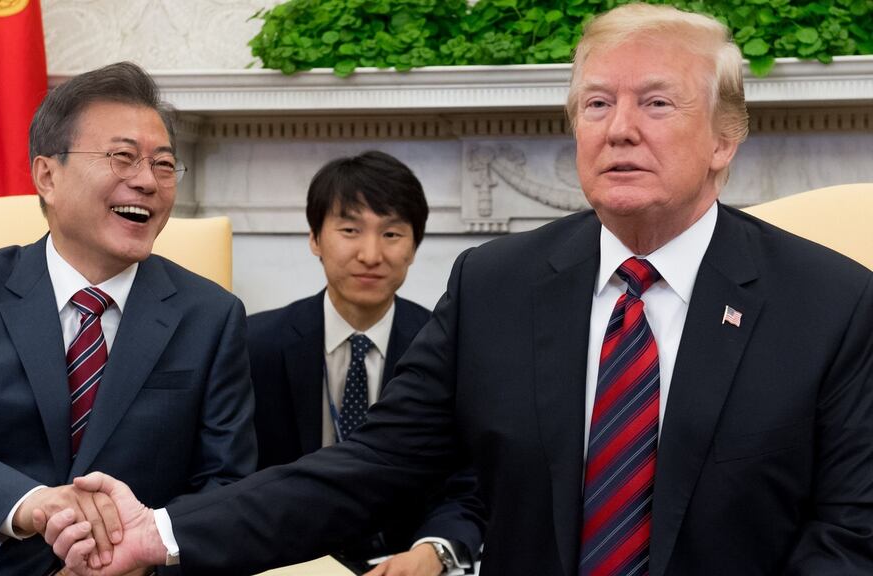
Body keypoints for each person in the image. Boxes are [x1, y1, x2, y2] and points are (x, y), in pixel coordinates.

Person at [43, 4, 873, 575]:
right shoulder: (497, 286)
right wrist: (160, 532)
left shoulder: (831, 305)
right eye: (595, 103)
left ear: (726, 138)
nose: (619, 128)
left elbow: (849, 534)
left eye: (656, 103)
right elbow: (367, 468)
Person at [0, 61, 256, 575]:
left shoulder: (212, 316)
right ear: (47, 175)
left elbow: (227, 489)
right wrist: (31, 505)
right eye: (122, 158)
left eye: (162, 164)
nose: (148, 182)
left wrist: (146, 561)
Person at [248, 151, 484, 575]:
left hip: (403, 560)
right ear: (315, 238)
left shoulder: (451, 348)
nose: (371, 254)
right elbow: (237, 476)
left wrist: (432, 551)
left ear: (414, 246)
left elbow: (468, 484)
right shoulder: (255, 345)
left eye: (392, 234)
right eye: (350, 230)